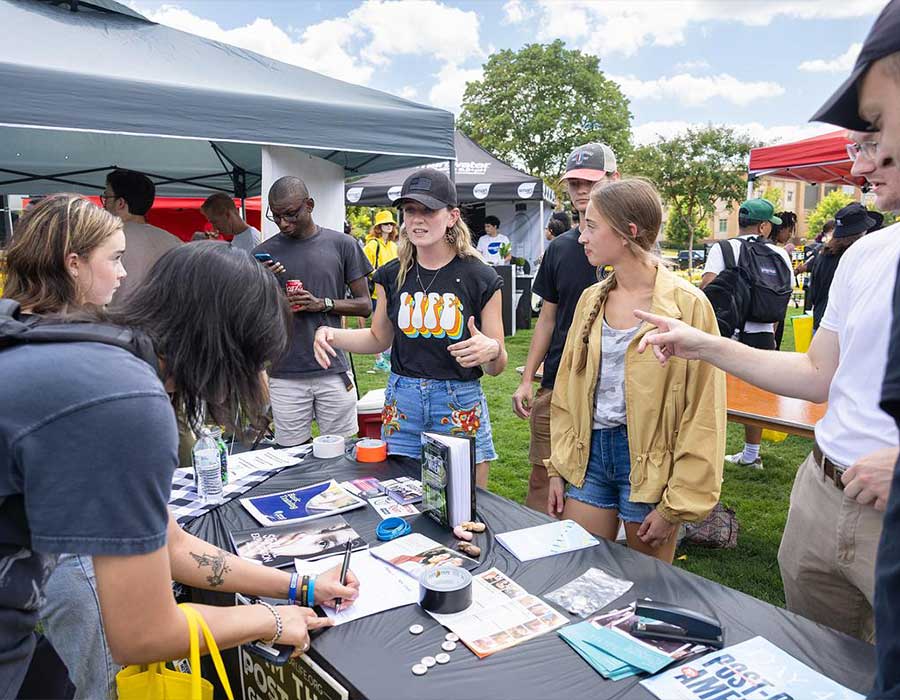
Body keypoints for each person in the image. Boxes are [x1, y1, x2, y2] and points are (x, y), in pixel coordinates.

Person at [0, 230, 360, 698]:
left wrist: (301, 587)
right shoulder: (128, 399)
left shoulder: (104, 354)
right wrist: (270, 619)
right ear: (225, 346)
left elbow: (169, 543)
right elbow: (140, 634)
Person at [632, 123, 900, 640]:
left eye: (872, 148)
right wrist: (701, 343)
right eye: (856, 149)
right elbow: (818, 374)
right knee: (819, 659)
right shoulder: (866, 254)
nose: (859, 168)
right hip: (821, 497)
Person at [545, 178, 725, 563]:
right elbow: (567, 389)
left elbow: (704, 412)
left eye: (592, 226)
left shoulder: (688, 305)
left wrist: (676, 505)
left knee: (646, 591)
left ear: (628, 232)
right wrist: (558, 467)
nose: (581, 237)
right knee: (580, 572)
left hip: (650, 465)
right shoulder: (591, 299)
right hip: (588, 456)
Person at [313, 168, 507, 489]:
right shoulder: (392, 275)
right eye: (409, 210)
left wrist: (493, 350)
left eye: (428, 210)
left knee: (466, 503)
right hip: (403, 402)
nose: (417, 219)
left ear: (452, 216)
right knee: (401, 499)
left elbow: (497, 365)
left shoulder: (480, 277)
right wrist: (332, 334)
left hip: (457, 400)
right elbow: (378, 338)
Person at [512, 142, 620, 512]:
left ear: (614, 179)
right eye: (573, 183)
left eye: (590, 181)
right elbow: (548, 318)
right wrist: (528, 378)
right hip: (558, 381)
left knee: (602, 481)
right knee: (543, 476)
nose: (581, 190)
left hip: (614, 387)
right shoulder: (560, 248)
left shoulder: (632, 248)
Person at [253, 176, 372, 447]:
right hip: (284, 372)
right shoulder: (262, 254)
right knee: (291, 458)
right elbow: (247, 316)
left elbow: (365, 305)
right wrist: (262, 287)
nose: (284, 223)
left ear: (309, 205)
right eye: (277, 216)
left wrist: (323, 303)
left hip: (333, 369)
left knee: (340, 456)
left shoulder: (342, 244)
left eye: (291, 214)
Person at [700, 198, 794, 469]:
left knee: (711, 393)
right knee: (756, 398)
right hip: (763, 332)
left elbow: (708, 287)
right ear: (764, 226)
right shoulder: (780, 254)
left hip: (726, 334)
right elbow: (781, 297)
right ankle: (751, 454)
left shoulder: (724, 248)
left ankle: (706, 455)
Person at [101, 168, 181, 307]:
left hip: (117, 323)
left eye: (107, 197)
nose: (104, 204)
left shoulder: (105, 239)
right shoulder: (174, 241)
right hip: (162, 325)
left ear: (120, 203)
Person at [807, 203, 878, 331]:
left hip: (822, 322)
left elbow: (814, 293)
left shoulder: (823, 254)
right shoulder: (857, 257)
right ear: (861, 231)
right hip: (845, 326)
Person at [362, 211, 399, 373]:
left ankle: (387, 354)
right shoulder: (372, 245)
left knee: (392, 324)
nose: (389, 227)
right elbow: (364, 268)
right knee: (378, 328)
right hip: (378, 292)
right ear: (378, 227)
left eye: (391, 224)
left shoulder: (393, 246)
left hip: (394, 290)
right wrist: (380, 277)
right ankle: (378, 360)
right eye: (385, 224)